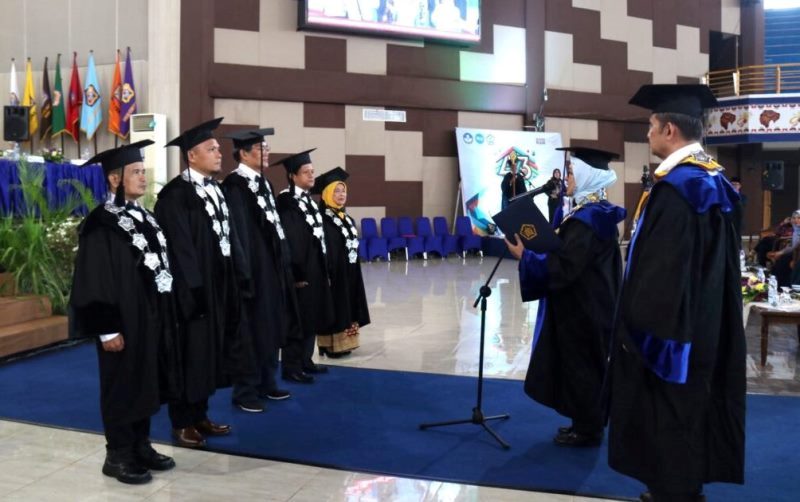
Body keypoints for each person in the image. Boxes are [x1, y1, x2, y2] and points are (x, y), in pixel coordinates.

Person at [609, 84, 745, 501]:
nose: (647, 134)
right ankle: (686, 486)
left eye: (650, 126)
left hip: (673, 331)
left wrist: (638, 332)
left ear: (669, 129)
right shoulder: (714, 180)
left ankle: (674, 492)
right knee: (693, 408)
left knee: (669, 411)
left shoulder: (679, 188)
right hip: (706, 321)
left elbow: (664, 275)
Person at [71, 140, 179, 484]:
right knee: (121, 385)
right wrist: (106, 328)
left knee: (145, 381)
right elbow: (93, 279)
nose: (143, 178)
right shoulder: (100, 224)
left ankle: (140, 445)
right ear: (115, 179)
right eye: (135, 172)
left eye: (142, 171)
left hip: (150, 318)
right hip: (121, 321)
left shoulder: (143, 216)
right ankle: (117, 454)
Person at [504, 147, 626, 448]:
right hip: (586, 304)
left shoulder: (589, 220)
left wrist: (526, 256)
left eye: (572, 172)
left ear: (587, 176)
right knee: (578, 365)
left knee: (584, 367)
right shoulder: (591, 213)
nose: (567, 177)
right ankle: (582, 422)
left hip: (585, 309)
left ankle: (588, 429)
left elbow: (566, 265)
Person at [156, 117, 243, 448]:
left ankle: (200, 414)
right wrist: (194, 291)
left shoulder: (215, 190)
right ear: (192, 156)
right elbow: (180, 250)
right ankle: (181, 421)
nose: (219, 153)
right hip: (191, 293)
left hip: (218, 287)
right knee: (189, 356)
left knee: (209, 355)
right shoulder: (175, 196)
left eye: (218, 148)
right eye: (211, 149)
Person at [222, 127, 295, 412]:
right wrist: (246, 272)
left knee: (269, 325)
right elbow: (238, 232)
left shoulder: (265, 183)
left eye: (266, 148)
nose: (267, 153)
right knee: (250, 330)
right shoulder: (234, 185)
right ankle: (245, 390)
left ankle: (267, 381)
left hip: (271, 267)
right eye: (261, 149)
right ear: (243, 153)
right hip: (253, 269)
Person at [275, 149, 335, 383]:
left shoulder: (309, 201)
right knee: (297, 318)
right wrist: (297, 271)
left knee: (311, 315)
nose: (312, 176)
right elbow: (291, 238)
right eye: (306, 172)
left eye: (312, 171)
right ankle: (291, 366)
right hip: (300, 270)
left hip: (315, 267)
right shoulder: (286, 201)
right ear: (292, 176)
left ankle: (306, 360)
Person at [313, 167, 371, 358]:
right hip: (333, 274)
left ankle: (346, 343)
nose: (341, 194)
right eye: (336, 191)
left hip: (350, 273)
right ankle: (329, 345)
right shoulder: (320, 220)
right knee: (334, 307)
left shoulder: (348, 220)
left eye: (343, 190)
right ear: (326, 194)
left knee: (349, 306)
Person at [766, 210, 800, 287]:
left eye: (799, 218)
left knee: (785, 260)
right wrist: (779, 253)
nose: (796, 220)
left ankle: (786, 286)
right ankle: (775, 284)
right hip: (795, 252)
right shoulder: (796, 230)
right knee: (781, 259)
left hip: (797, 254)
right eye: (794, 218)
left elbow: (796, 245)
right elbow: (793, 245)